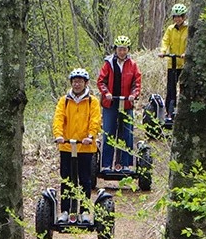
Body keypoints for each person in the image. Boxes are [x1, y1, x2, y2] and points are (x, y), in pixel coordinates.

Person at [52, 68, 102, 224]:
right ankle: (66, 211)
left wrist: (91, 136)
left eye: (80, 81)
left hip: (85, 147)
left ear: (85, 83)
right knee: (66, 180)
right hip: (67, 147)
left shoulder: (92, 101)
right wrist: (58, 135)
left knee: (85, 180)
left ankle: (85, 211)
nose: (77, 84)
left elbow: (95, 120)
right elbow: (58, 119)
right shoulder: (64, 100)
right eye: (74, 81)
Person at [96, 36, 141, 172]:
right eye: (120, 49)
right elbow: (101, 81)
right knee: (109, 132)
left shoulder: (132, 65)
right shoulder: (108, 63)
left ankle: (125, 164)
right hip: (111, 103)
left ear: (128, 50)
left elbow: (137, 82)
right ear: (115, 49)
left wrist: (134, 95)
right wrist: (106, 92)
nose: (122, 52)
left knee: (127, 132)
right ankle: (106, 165)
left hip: (126, 103)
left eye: (124, 49)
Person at [158, 4, 189, 125]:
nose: (177, 19)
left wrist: (187, 53)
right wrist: (163, 51)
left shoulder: (188, 29)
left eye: (180, 17)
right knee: (170, 88)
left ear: (184, 17)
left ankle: (182, 111)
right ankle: (169, 112)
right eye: (175, 17)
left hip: (184, 64)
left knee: (184, 88)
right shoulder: (170, 29)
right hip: (172, 63)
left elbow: (190, 41)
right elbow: (165, 40)